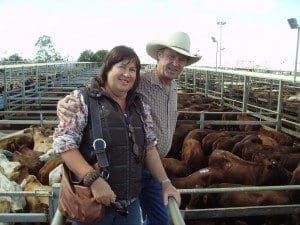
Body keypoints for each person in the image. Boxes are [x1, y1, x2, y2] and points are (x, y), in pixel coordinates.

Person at [57, 32, 201, 225]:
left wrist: (166, 182)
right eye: (171, 56)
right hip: (105, 186)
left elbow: (149, 143)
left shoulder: (147, 99)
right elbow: (65, 140)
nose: (127, 74)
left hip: (140, 179)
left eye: (181, 59)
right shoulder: (137, 82)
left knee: (160, 218)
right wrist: (63, 104)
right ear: (159, 55)